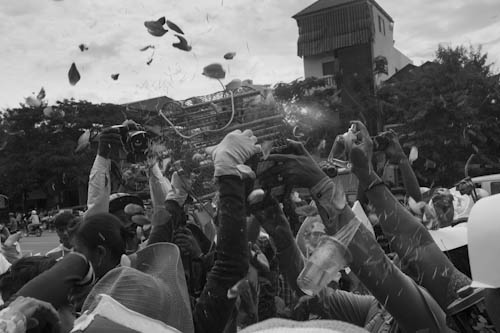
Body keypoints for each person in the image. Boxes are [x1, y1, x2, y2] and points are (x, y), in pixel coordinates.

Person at [255, 135, 448, 331]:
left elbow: (382, 272)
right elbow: (310, 293)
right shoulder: (377, 307)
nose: (401, 254)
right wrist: (281, 235)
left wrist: (319, 183)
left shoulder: (435, 316)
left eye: (419, 257)